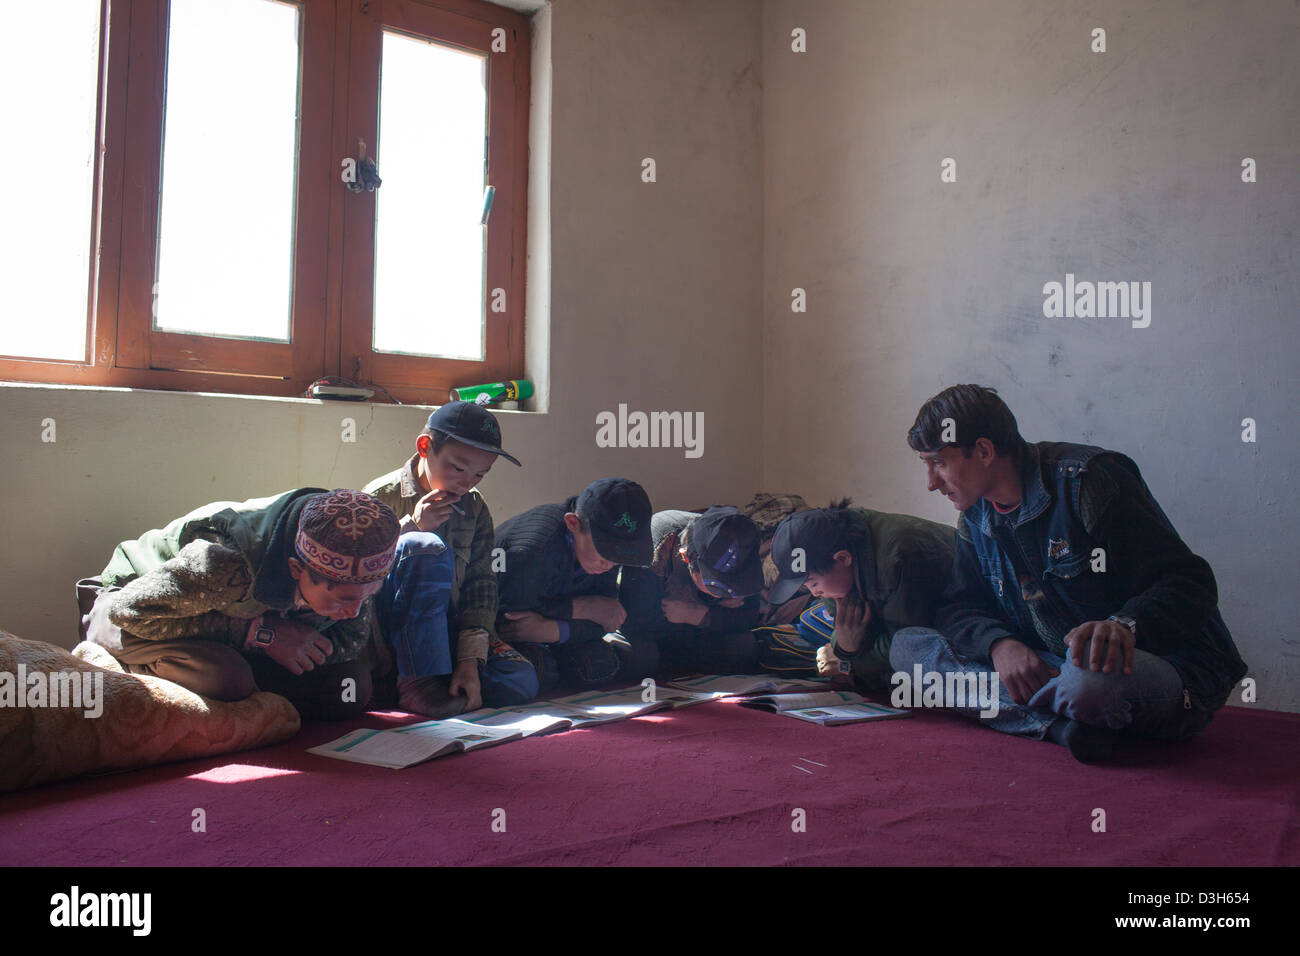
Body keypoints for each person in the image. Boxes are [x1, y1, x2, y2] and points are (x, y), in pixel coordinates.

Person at [891, 384, 1248, 762]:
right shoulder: (976, 516)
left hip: (1159, 669)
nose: (931, 482)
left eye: (939, 463)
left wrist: (1125, 626)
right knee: (908, 647)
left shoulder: (1089, 481)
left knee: (1088, 684)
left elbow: (1190, 584)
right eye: (925, 465)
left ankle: (1046, 712)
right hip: (1053, 665)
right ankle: (1063, 727)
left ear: (983, 451)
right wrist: (999, 645)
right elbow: (959, 607)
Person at [80, 489, 400, 720]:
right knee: (226, 679)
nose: (356, 612)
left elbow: (349, 642)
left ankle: (241, 686)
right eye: (344, 600)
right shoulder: (225, 566)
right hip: (131, 609)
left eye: (368, 596)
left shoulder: (355, 567)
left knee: (351, 688)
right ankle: (136, 668)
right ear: (296, 570)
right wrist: (264, 634)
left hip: (222, 630)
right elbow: (128, 613)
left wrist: (294, 644)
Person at [363, 401, 538, 717]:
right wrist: (412, 527)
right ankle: (419, 679)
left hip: (447, 632)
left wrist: (469, 662)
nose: (467, 482)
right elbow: (355, 577)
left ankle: (433, 680)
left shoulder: (474, 508)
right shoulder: (379, 497)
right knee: (424, 544)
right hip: (391, 635)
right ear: (425, 447)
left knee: (521, 682)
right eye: (458, 468)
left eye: (480, 474)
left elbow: (481, 583)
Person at [766, 500, 955, 693]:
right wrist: (842, 646)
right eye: (806, 587)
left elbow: (904, 639)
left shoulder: (902, 555)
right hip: (889, 622)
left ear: (843, 559)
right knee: (811, 621)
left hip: (950, 626)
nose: (815, 593)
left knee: (905, 656)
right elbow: (843, 627)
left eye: (814, 583)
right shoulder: (833, 543)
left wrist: (848, 657)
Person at [494, 477, 653, 692]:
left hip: (552, 629)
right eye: (606, 552)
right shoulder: (533, 548)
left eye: (619, 555)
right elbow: (515, 623)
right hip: (497, 628)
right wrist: (582, 608)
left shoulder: (606, 555)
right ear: (572, 523)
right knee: (538, 672)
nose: (610, 564)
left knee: (602, 664)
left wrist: (552, 630)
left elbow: (605, 618)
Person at [618, 507, 766, 678]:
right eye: (716, 585)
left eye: (734, 585)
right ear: (686, 557)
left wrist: (701, 614)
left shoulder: (739, 545)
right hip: (656, 636)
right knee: (643, 656)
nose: (724, 594)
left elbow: (749, 616)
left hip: (699, 632)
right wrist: (716, 612)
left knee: (744, 646)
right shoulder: (654, 547)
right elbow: (637, 622)